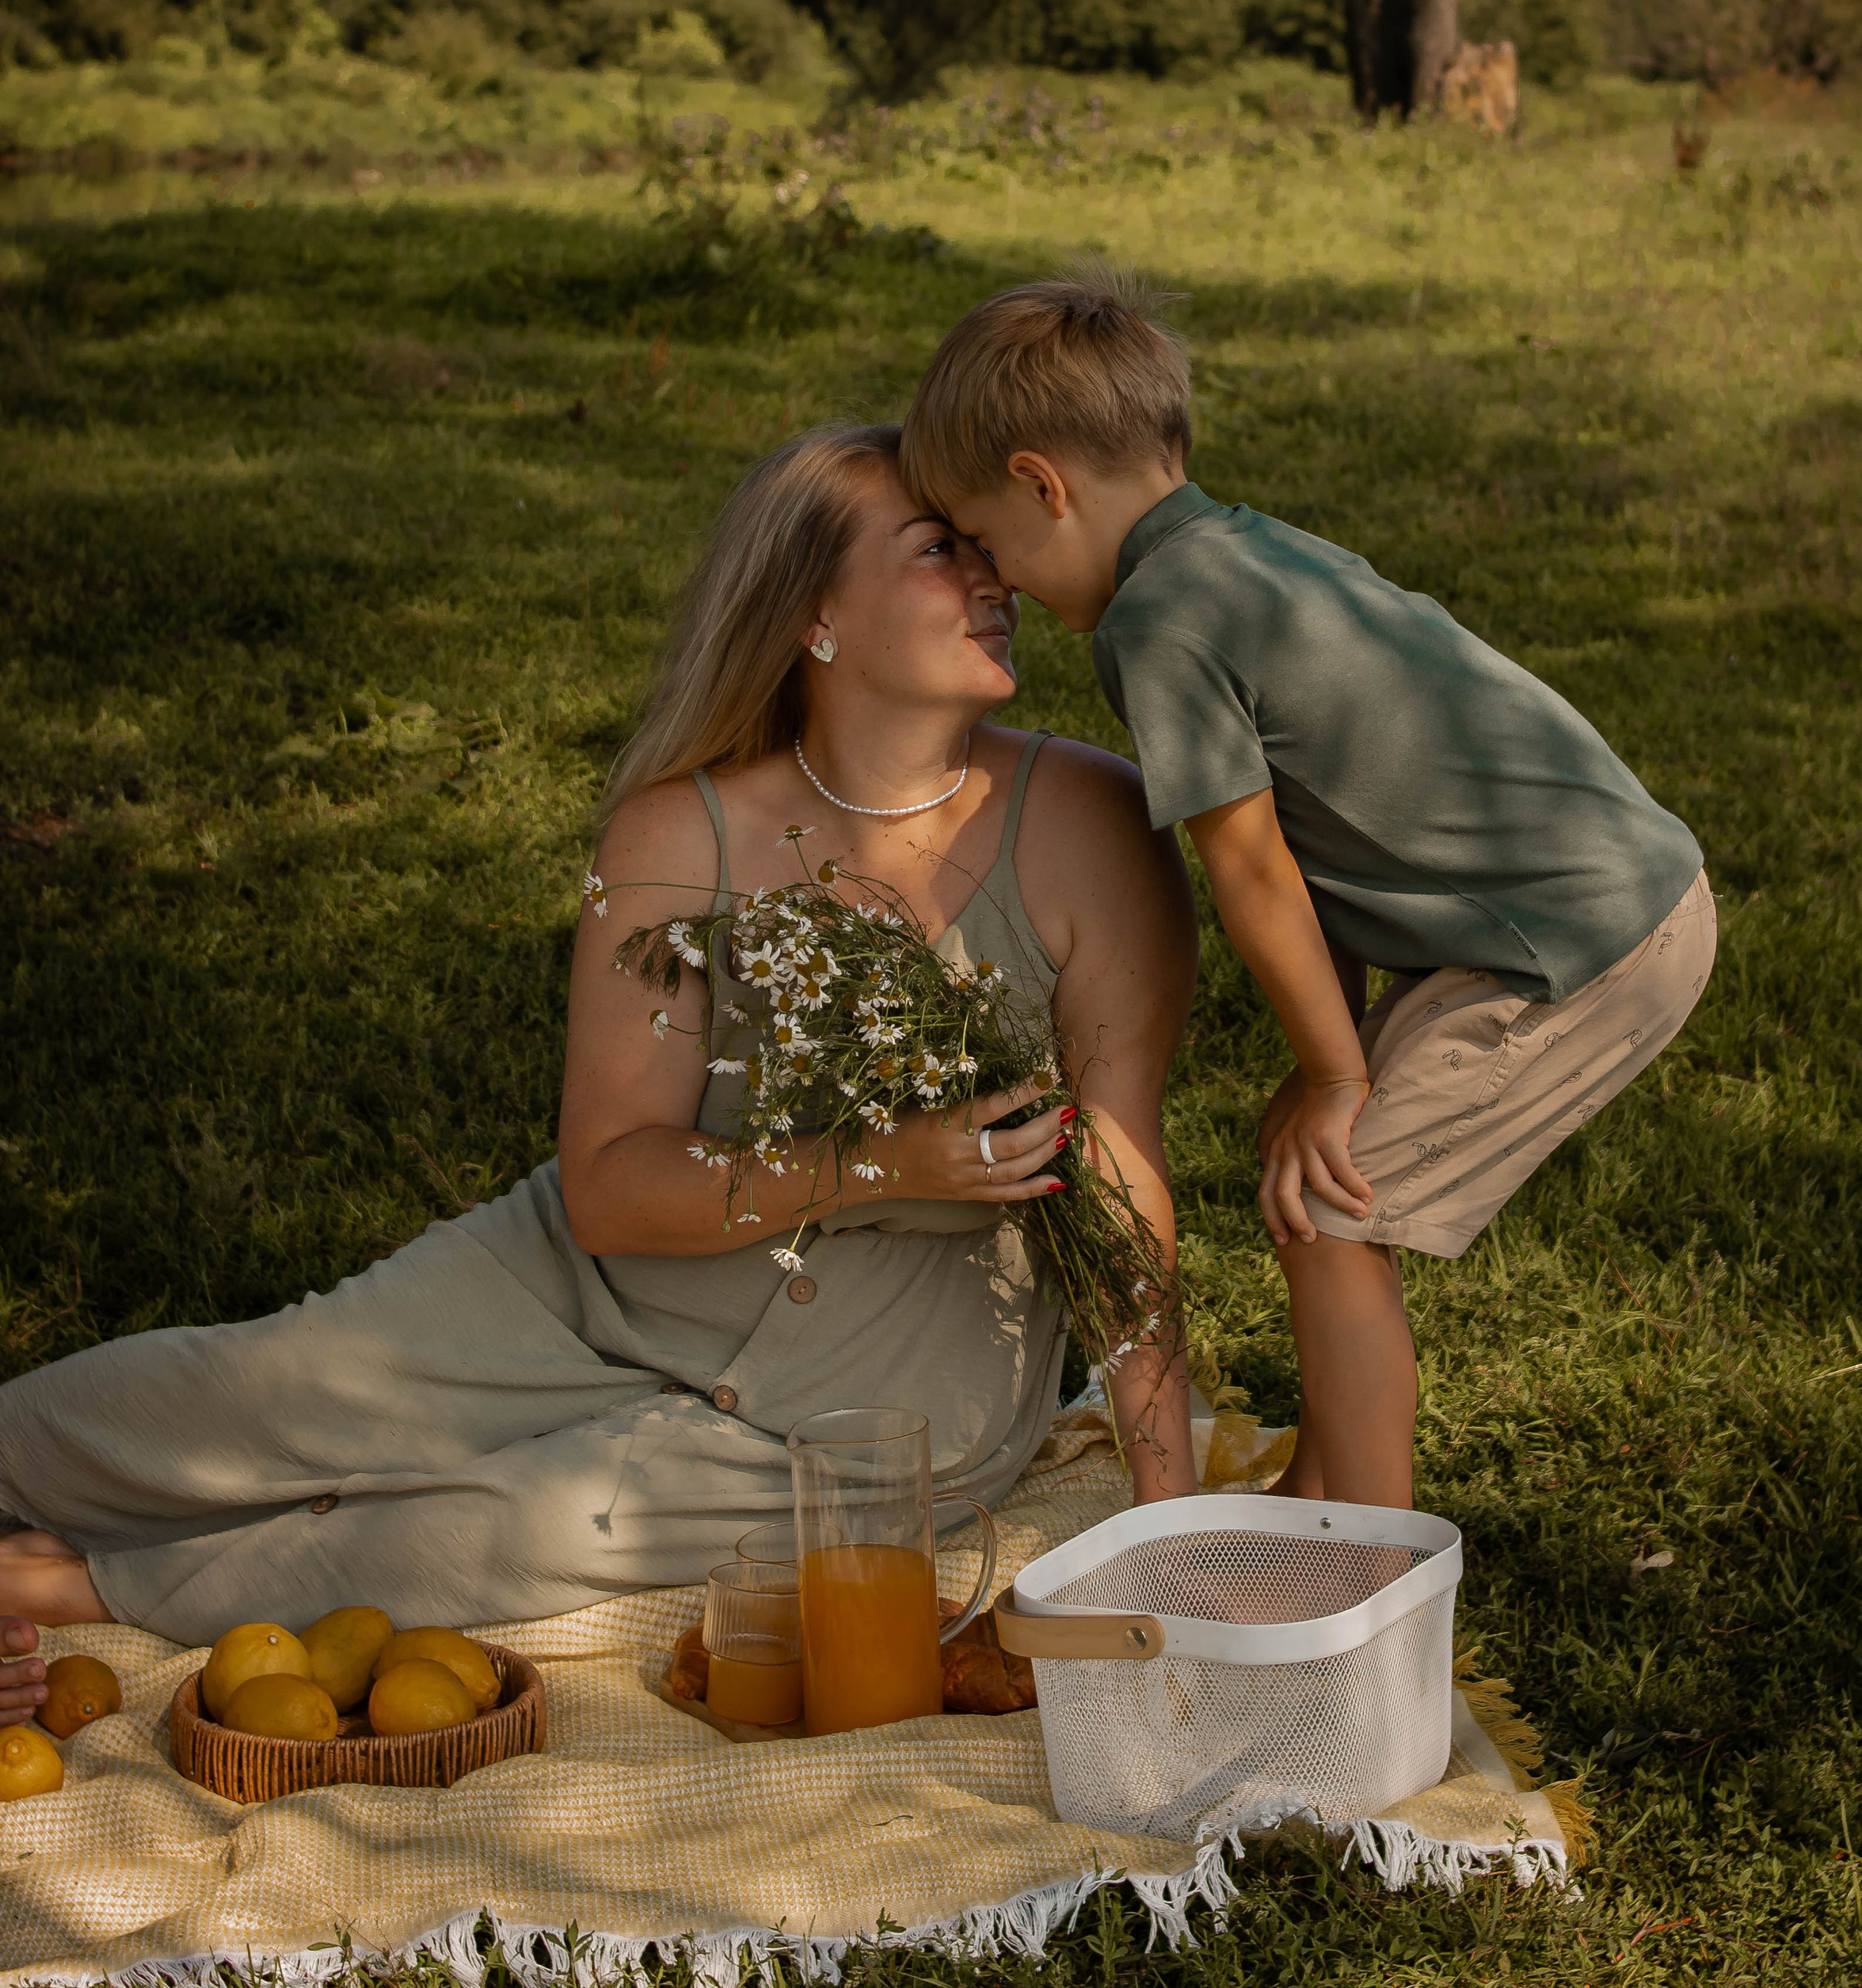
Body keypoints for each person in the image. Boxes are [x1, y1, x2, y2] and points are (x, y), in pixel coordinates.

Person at [0, 423, 1197, 1723]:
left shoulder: (1091, 826)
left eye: (990, 552)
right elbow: (613, 1191)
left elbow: (1122, 1184)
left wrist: (1169, 1529)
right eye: (938, 552)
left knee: (489, 1533)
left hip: (881, 1392)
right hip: (591, 1286)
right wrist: (884, 1161)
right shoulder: (678, 830)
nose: (995, 580)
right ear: (814, 617)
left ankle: (78, 1592)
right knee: (206, 1402)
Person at [900, 276, 1716, 1513]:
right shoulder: (1247, 554)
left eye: (988, 540)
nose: (997, 580)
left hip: (1578, 947)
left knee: (1336, 1217)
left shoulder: (1156, 625)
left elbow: (1255, 867)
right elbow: (1318, 847)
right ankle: (1319, 1495)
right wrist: (1322, 1058)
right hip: (1609, 900)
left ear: (1042, 485)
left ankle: (1364, 1562)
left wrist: (1341, 1078)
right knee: (1316, 1196)